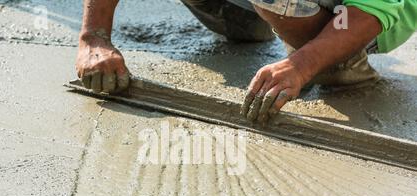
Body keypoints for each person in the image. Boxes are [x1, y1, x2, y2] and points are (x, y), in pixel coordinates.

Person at [76, 0, 417, 124]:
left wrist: (302, 64)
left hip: (359, 17)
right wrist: (94, 37)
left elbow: (377, 9)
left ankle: (339, 61)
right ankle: (251, 23)